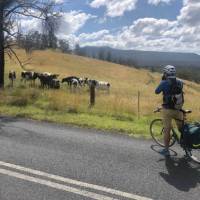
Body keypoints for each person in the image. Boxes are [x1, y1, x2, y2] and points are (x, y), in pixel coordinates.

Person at [155, 65, 184, 156]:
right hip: (179, 109)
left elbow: (156, 91)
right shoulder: (180, 82)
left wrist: (162, 81)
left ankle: (166, 150)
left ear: (165, 73)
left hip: (168, 110)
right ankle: (187, 144)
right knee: (182, 129)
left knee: (167, 130)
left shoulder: (164, 82)